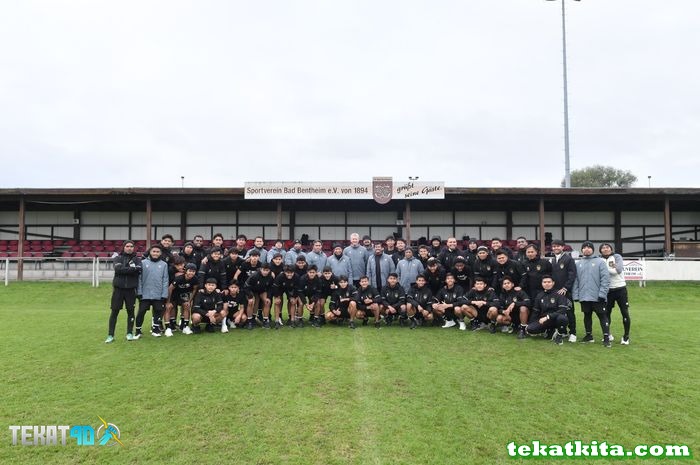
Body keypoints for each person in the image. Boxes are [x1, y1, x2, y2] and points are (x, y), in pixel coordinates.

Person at [572, 241, 612, 347]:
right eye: (584, 247)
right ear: (582, 250)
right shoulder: (578, 263)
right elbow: (576, 281)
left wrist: (602, 294)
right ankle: (589, 335)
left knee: (602, 316)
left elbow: (605, 280)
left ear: (593, 250)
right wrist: (576, 295)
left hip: (597, 296)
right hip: (584, 296)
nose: (587, 249)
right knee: (587, 315)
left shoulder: (600, 262)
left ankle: (606, 337)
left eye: (589, 248)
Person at [106, 240, 142, 343]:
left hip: (131, 290)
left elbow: (139, 270)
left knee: (130, 312)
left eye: (131, 246)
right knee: (114, 312)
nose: (129, 248)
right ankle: (110, 335)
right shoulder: (118, 258)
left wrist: (125, 269)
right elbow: (118, 270)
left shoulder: (137, 259)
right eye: (127, 246)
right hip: (118, 290)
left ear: (133, 248)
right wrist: (132, 269)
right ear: (124, 247)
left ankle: (129, 333)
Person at [134, 245, 169, 339]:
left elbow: (165, 280)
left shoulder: (164, 264)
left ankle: (156, 330)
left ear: (160, 253)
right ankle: (138, 331)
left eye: (158, 252)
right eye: (154, 251)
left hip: (158, 294)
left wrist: (164, 294)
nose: (155, 253)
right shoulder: (143, 263)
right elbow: (139, 279)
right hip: (145, 294)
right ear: (150, 252)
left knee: (158, 312)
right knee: (141, 312)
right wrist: (139, 292)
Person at [599, 243, 631, 345]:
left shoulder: (617, 257)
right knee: (606, 313)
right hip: (607, 291)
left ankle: (626, 337)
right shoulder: (599, 259)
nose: (605, 249)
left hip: (620, 289)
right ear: (600, 251)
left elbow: (618, 270)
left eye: (607, 247)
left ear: (611, 249)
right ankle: (608, 334)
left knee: (624, 313)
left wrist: (603, 269)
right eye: (603, 248)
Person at [526, 275, 570, 345]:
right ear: (542, 283)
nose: (546, 284)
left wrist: (547, 317)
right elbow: (536, 311)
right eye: (544, 282)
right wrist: (530, 324)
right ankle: (549, 331)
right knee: (530, 329)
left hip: (556, 318)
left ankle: (559, 334)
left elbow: (562, 310)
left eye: (549, 282)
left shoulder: (559, 294)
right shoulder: (539, 295)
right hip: (544, 320)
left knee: (562, 318)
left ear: (553, 283)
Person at [550, 239, 578, 342]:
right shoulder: (553, 260)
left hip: (566, 291)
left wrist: (566, 288)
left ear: (563, 247)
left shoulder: (568, 259)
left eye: (558, 246)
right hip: (556, 292)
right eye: (554, 246)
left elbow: (572, 275)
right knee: (558, 312)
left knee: (570, 312)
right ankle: (563, 331)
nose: (555, 248)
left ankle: (573, 332)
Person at [165, 262, 198, 336]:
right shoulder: (179, 278)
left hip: (183, 295)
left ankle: (185, 327)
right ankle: (168, 328)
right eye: (190, 271)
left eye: (193, 271)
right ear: (186, 271)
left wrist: (189, 301)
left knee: (187, 306)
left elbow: (194, 289)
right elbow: (170, 289)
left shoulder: (195, 279)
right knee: (169, 307)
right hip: (173, 294)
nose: (191, 273)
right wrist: (168, 301)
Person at [243, 263, 274, 329]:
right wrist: (250, 297)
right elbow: (246, 286)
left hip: (262, 291)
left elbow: (270, 288)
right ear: (261, 269)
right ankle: (250, 321)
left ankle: (265, 321)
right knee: (251, 302)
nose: (265, 272)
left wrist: (268, 297)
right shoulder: (254, 275)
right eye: (264, 270)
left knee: (267, 302)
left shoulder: (270, 277)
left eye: (267, 270)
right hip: (251, 291)